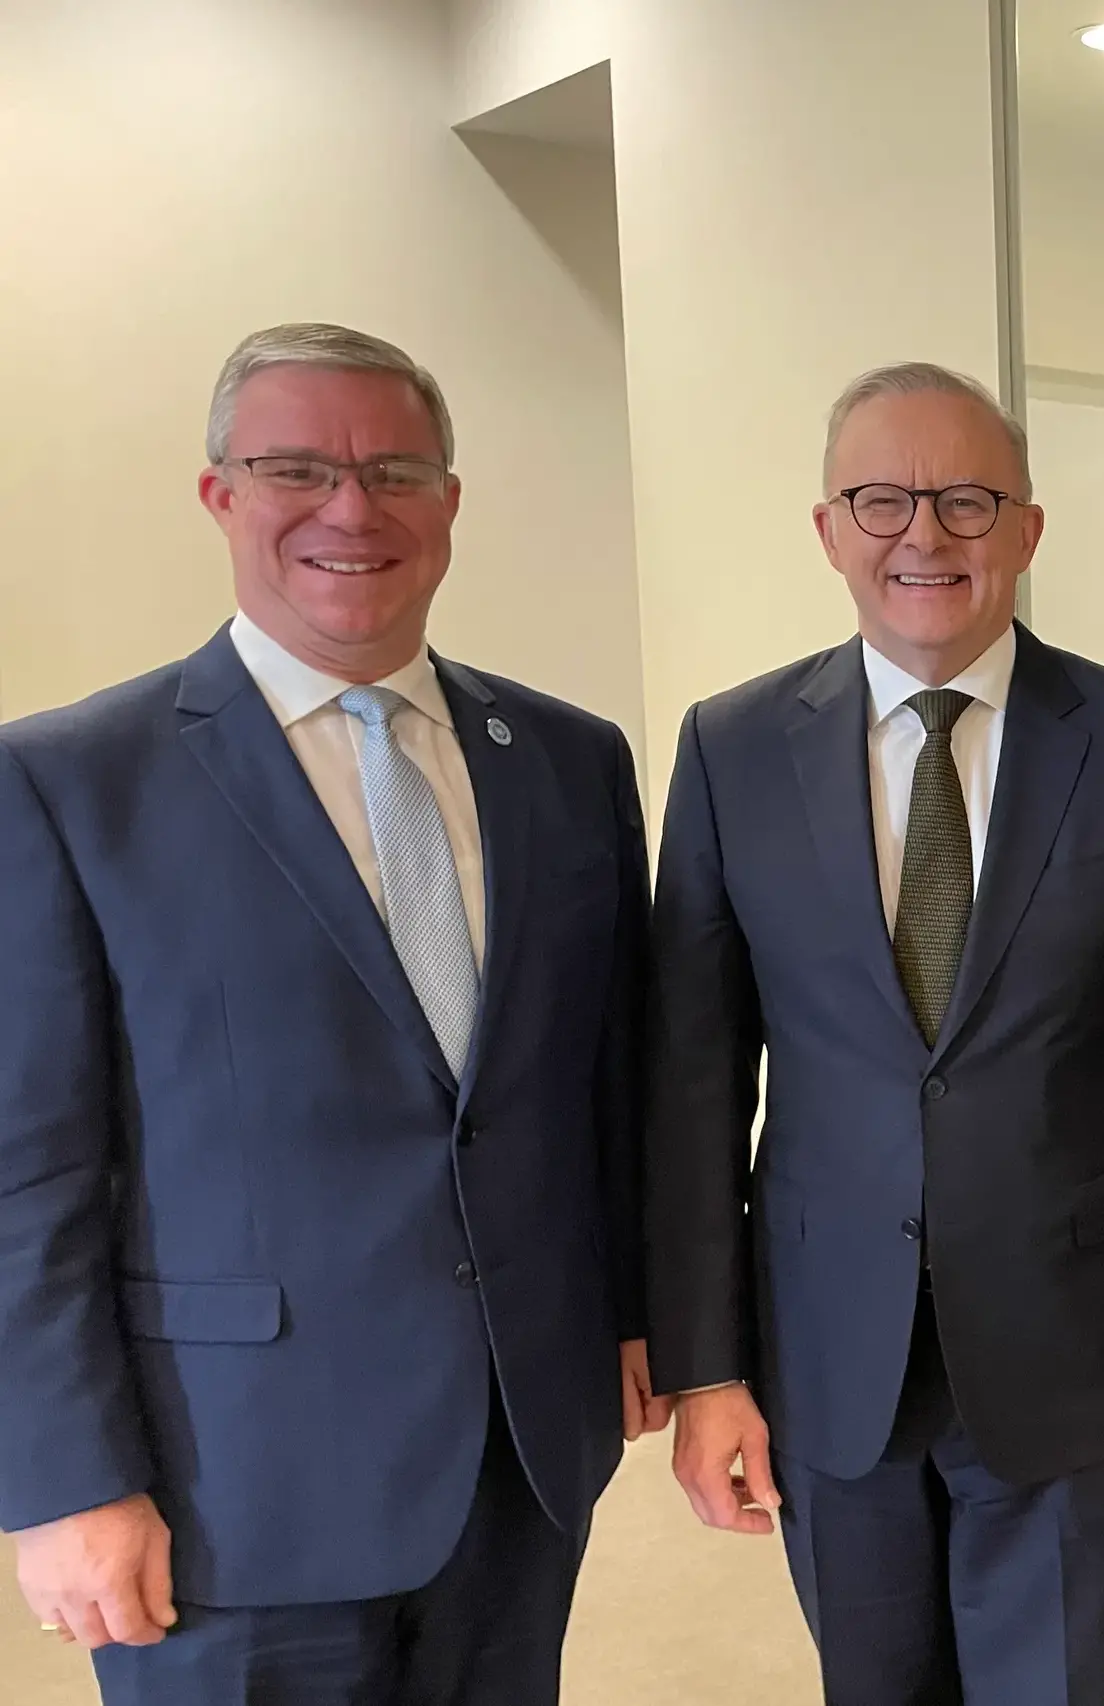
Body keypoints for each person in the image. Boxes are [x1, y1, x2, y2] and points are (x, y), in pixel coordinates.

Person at [0, 323, 662, 1706]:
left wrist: (634, 1318)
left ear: (451, 502)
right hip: (229, 1483)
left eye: (396, 469)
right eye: (296, 466)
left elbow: (606, 1084)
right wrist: (60, 1478)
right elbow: (31, 1168)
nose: (352, 508)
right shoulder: (70, 782)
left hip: (515, 1458)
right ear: (219, 493)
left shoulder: (567, 759)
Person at [645, 363, 1104, 1705]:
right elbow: (694, 1088)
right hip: (823, 1357)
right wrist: (705, 1365)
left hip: (1071, 1357)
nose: (924, 534)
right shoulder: (729, 750)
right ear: (828, 530)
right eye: (881, 500)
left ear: (1028, 529)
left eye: (968, 501)